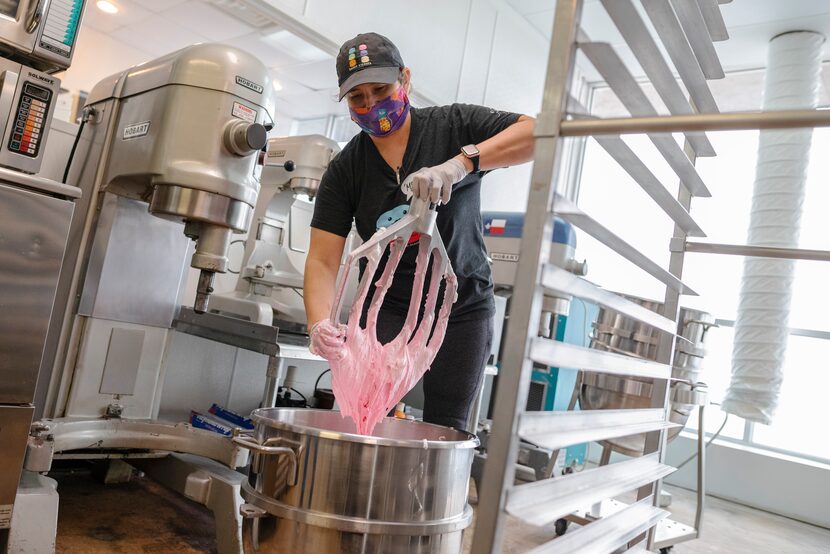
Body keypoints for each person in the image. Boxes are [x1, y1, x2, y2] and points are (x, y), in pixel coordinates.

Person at [304, 32, 535, 431]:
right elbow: (323, 259)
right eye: (358, 98)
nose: (372, 105)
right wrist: (318, 322)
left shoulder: (453, 126)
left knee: (447, 428)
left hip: (461, 307)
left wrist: (463, 163)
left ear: (405, 78)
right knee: (365, 417)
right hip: (386, 308)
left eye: (381, 89)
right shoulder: (346, 170)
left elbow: (539, 134)